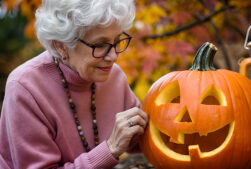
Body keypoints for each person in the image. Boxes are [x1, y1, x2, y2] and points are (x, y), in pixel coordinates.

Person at [0, 0, 148, 168]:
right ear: (61, 45)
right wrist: (110, 149)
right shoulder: (25, 88)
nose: (113, 56)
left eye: (117, 40)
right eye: (100, 45)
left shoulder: (114, 76)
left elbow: (146, 141)